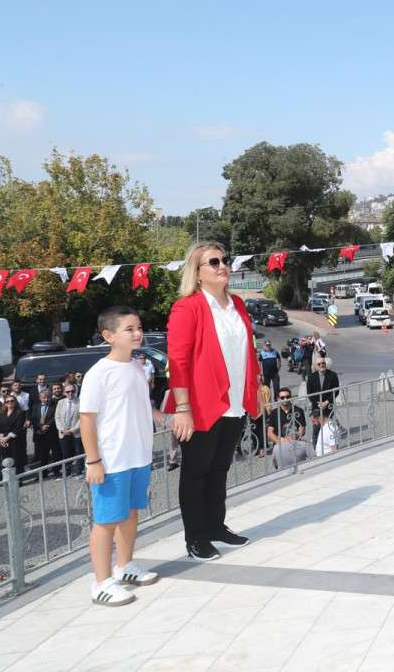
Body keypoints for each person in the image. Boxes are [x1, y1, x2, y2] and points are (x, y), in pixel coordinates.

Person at [164, 241, 262, 562]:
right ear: (197, 272)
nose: (223, 266)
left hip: (234, 402)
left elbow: (248, 351)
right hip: (200, 406)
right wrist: (182, 409)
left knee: (220, 468)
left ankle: (216, 527)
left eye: (224, 260)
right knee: (196, 473)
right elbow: (178, 361)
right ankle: (196, 538)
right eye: (214, 262)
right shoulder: (187, 307)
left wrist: (256, 388)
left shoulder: (237, 305)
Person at [80, 304, 160, 606]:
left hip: (139, 456)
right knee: (106, 521)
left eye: (139, 327)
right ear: (108, 336)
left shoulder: (137, 366)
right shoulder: (99, 374)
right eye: (129, 329)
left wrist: (166, 417)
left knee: (130, 512)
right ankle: (101, 582)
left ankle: (125, 565)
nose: (137, 333)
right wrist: (94, 460)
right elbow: (87, 419)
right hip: (112, 461)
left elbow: (142, 406)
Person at [268, 387, 310, 469]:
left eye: (287, 397)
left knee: (299, 468)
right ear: (278, 398)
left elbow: (302, 430)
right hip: (280, 446)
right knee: (281, 470)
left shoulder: (298, 410)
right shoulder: (274, 413)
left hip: (295, 444)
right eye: (282, 397)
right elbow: (269, 432)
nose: (285, 399)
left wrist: (294, 437)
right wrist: (280, 440)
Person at [0, 386, 27, 481]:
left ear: (15, 402)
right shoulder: (0, 413)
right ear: (5, 403)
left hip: (15, 440)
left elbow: (18, 427)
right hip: (3, 441)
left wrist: (7, 438)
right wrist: (1, 438)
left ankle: (19, 479)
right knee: (6, 460)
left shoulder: (20, 413)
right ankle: (9, 479)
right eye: (7, 401)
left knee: (16, 459)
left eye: (12, 401)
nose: (9, 403)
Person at [30, 385, 62, 477]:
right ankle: (44, 473)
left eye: (48, 397)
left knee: (55, 454)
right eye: (44, 398)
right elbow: (34, 419)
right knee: (43, 455)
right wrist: (40, 427)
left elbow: (55, 417)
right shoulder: (36, 406)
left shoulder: (55, 405)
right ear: (40, 398)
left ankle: (56, 471)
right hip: (40, 435)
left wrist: (46, 426)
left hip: (52, 433)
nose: (46, 399)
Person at [56, 382, 82, 476]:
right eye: (68, 392)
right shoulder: (60, 402)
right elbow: (57, 417)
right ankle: (67, 472)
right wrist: (62, 429)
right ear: (64, 393)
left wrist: (72, 430)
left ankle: (79, 472)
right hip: (63, 432)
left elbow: (81, 419)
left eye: (72, 391)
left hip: (76, 432)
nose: (70, 393)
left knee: (79, 453)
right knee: (66, 454)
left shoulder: (80, 402)